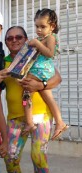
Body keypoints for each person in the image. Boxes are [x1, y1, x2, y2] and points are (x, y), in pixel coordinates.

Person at [0, 26, 62, 173]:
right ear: (6, 43)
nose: (14, 40)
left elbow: (57, 78)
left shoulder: (36, 56)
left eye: (19, 37)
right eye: (10, 38)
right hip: (15, 118)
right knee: (10, 158)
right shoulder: (3, 63)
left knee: (38, 157)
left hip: (41, 116)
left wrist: (40, 84)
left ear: (26, 40)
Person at [22, 8, 68, 140]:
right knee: (48, 97)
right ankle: (60, 122)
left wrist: (36, 43)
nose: (39, 30)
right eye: (37, 26)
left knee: (26, 90)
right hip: (41, 70)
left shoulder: (51, 38)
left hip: (42, 70)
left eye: (43, 26)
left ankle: (29, 123)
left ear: (52, 26)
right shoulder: (42, 38)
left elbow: (50, 53)